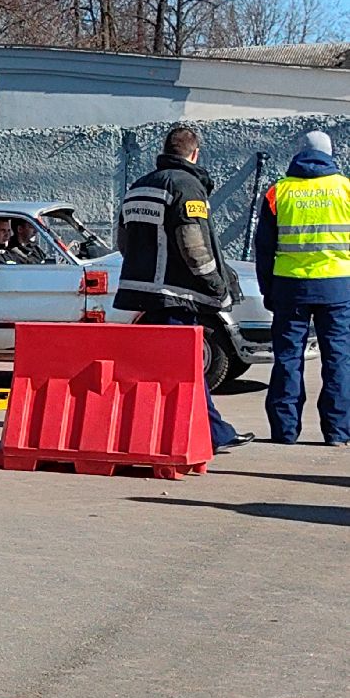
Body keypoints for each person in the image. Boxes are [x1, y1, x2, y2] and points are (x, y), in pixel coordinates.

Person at [114, 126, 253, 453]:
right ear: (194, 153)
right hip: (176, 297)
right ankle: (213, 434)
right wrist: (215, 284)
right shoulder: (186, 186)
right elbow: (193, 246)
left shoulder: (138, 187)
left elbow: (124, 241)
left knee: (159, 370)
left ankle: (179, 432)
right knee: (187, 367)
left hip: (144, 295)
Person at [254, 130, 350, 446]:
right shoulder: (346, 190)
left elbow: (264, 248)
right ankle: (337, 432)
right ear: (330, 154)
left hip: (289, 288)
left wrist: (268, 290)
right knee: (337, 359)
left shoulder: (278, 193)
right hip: (337, 289)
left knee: (288, 358)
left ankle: (284, 431)